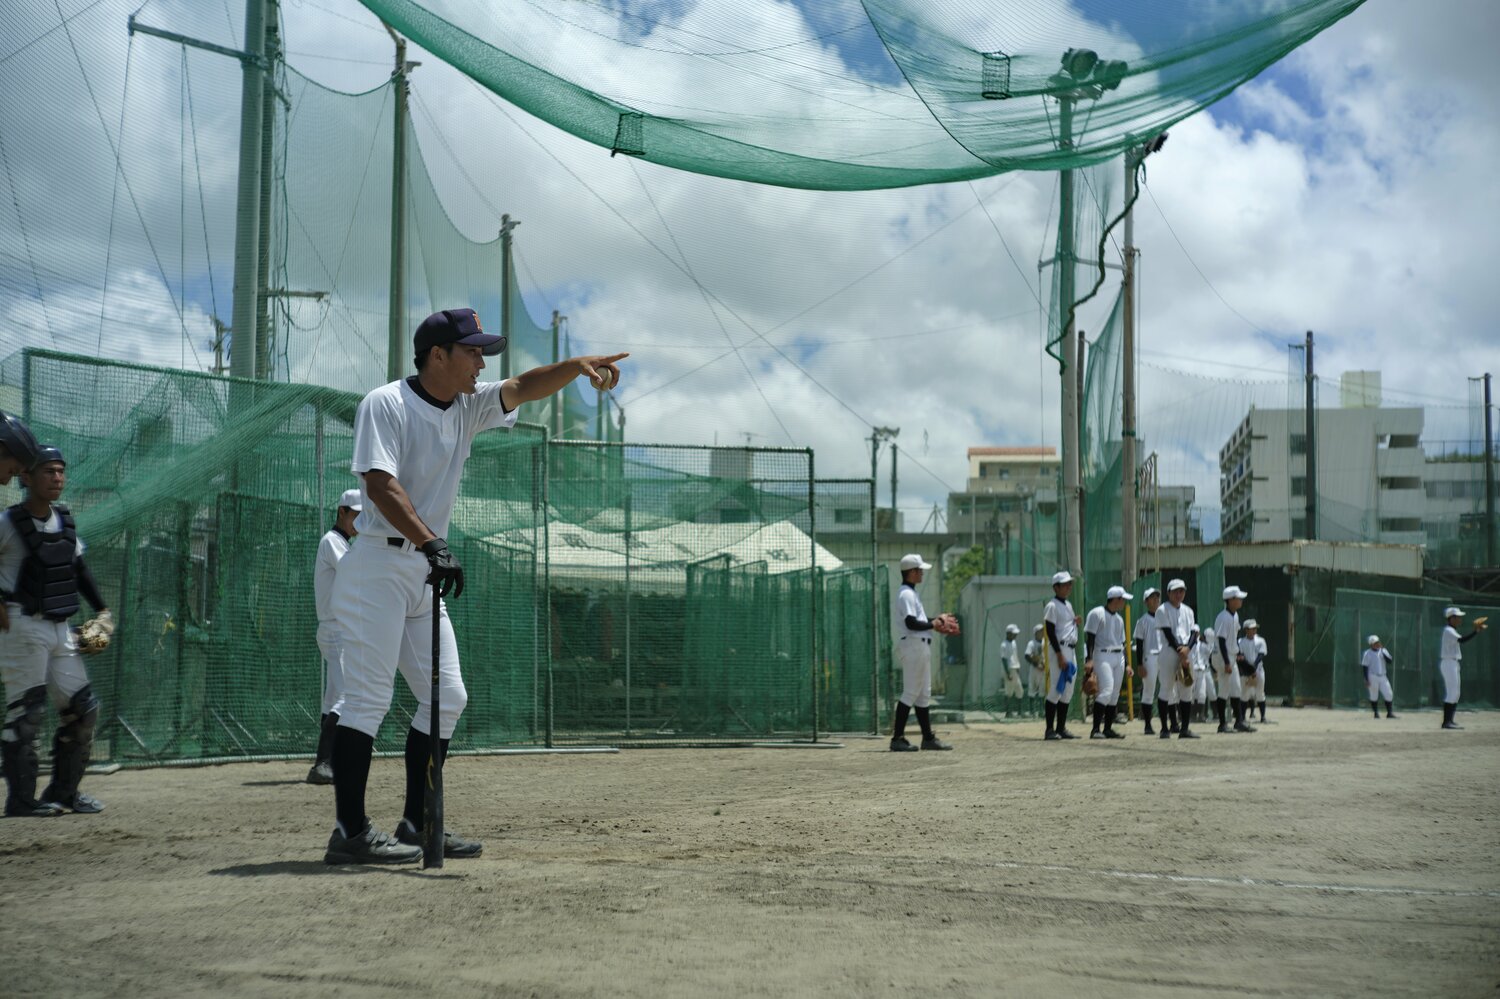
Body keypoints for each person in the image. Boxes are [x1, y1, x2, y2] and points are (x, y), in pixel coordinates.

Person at [323, 307, 627, 864]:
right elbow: (380, 485)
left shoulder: (466, 406)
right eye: (471, 351)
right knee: (367, 700)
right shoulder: (385, 403)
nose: (481, 361)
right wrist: (432, 542)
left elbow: (522, 387)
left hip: (421, 569)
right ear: (436, 355)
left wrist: (576, 366)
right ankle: (349, 831)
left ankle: (418, 823)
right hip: (377, 568)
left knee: (447, 697)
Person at [0, 446, 112, 817]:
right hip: (21, 625)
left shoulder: (64, 521)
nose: (57, 478)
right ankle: (21, 801)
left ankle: (64, 793)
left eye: (61, 471)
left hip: (62, 628)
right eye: (48, 471)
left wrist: (103, 611)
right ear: (26, 478)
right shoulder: (8, 522)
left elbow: (78, 571)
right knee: (26, 715)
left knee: (83, 710)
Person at [307, 488, 362, 785]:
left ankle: (326, 761)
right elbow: (354, 573)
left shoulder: (342, 542)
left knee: (333, 696)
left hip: (337, 628)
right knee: (345, 695)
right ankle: (324, 762)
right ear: (341, 512)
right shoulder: (333, 541)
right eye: (355, 515)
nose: (359, 522)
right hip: (336, 628)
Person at [891, 553, 956, 752]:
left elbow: (918, 619)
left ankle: (927, 738)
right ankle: (897, 738)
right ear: (911, 572)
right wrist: (933, 623)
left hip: (919, 645)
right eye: (919, 570)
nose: (922, 573)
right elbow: (911, 622)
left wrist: (936, 621)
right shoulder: (906, 594)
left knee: (923, 695)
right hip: (913, 645)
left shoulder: (910, 593)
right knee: (911, 692)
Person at [1084, 585, 1133, 740]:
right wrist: (1089, 659)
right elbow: (1090, 638)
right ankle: (1095, 729)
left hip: (1118, 656)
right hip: (1102, 655)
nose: (1124, 602)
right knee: (1106, 691)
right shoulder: (1097, 613)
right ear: (1116, 599)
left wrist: (1128, 665)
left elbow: (1123, 643)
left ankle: (1108, 729)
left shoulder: (1119, 619)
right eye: (1123, 599)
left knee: (1114, 694)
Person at [1154, 578, 1199, 739]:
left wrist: (1187, 649)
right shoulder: (1162, 609)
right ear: (1169, 593)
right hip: (1169, 651)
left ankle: (1184, 728)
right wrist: (1181, 650)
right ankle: (1164, 728)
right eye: (1175, 591)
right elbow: (1167, 633)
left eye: (1181, 591)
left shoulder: (1188, 610)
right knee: (1166, 688)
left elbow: (1194, 632)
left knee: (1186, 689)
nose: (1179, 594)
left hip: (1186, 651)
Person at [1042, 570, 1081, 741]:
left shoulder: (1068, 605)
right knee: (1056, 690)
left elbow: (1064, 626)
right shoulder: (1052, 605)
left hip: (1070, 648)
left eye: (1069, 584)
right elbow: (1050, 631)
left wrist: (1075, 622)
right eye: (1065, 584)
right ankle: (1049, 730)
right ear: (1055, 587)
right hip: (1060, 648)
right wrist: (1059, 655)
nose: (1068, 587)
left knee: (1068, 691)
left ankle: (1061, 727)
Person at [1437, 606, 1487, 731]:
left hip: (1453, 663)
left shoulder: (1451, 630)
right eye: (1457, 617)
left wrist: (1476, 630)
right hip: (1448, 663)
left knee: (1455, 693)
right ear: (1451, 618)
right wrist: (1476, 631)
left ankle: (1450, 721)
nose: (1460, 619)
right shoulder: (1448, 630)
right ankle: (1446, 722)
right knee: (1451, 692)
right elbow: (1462, 640)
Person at [1213, 585, 1254, 734]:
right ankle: (1222, 724)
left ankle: (1238, 721)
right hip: (1223, 657)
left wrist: (1238, 653)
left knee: (1236, 688)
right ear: (1230, 600)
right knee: (1223, 689)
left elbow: (1233, 638)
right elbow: (1222, 641)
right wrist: (1227, 662)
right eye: (1238, 598)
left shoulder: (1234, 616)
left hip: (1231, 656)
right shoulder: (1223, 617)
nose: (1241, 600)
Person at [1132, 588, 1163, 734]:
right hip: (1149, 657)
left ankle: (1171, 723)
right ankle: (1148, 725)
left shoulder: (1164, 618)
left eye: (1157, 596)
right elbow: (1138, 644)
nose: (1156, 599)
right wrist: (1139, 665)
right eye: (1152, 597)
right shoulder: (1142, 621)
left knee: (1170, 689)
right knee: (1149, 691)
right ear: (1146, 601)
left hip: (1164, 656)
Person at [1238, 619, 1268, 724]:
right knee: (1244, 694)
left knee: (1260, 693)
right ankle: (1242, 718)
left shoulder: (1260, 640)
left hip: (1258, 670)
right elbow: (1240, 656)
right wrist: (1249, 669)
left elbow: (1261, 655)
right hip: (1245, 671)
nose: (1255, 630)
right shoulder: (1240, 642)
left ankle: (1263, 717)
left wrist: (1253, 668)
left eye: (1255, 628)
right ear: (1246, 630)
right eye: (1252, 628)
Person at [1362, 635, 1395, 719]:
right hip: (1372, 676)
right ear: (1371, 644)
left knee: (1389, 693)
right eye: (1375, 643)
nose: (1377, 644)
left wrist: (1384, 654)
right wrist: (1366, 679)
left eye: (1377, 642)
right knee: (1374, 695)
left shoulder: (1383, 651)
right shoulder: (1367, 653)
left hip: (1383, 676)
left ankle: (1389, 713)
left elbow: (1390, 661)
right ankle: (1376, 713)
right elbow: (1365, 667)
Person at [998, 624, 1024, 718]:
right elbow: (1004, 659)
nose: (1015, 635)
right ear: (1008, 633)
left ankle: (1019, 712)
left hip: (1014, 668)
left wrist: (1018, 668)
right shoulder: (1004, 645)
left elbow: (1015, 656)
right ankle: (1008, 712)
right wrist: (1008, 673)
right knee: (1009, 691)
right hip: (1009, 669)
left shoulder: (1013, 643)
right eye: (1014, 633)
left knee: (1019, 690)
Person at [1024, 623, 1047, 716]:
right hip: (1034, 668)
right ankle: (1032, 711)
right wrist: (1036, 663)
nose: (1042, 632)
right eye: (1040, 631)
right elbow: (1027, 655)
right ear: (1036, 633)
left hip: (1043, 668)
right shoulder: (1031, 643)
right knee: (1032, 688)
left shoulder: (1045, 642)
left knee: (1042, 689)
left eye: (1043, 631)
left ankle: (1041, 711)